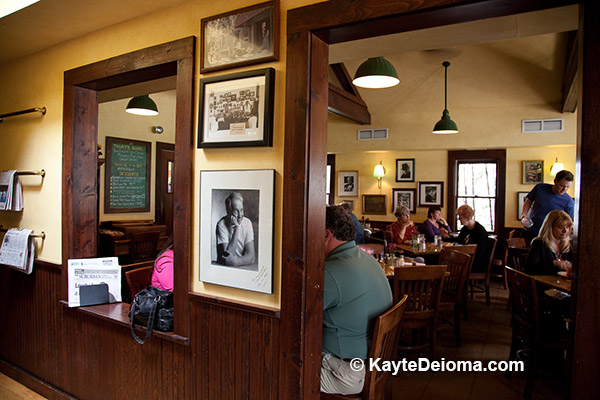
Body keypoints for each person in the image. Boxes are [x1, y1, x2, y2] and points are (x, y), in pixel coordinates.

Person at [321, 205, 393, 395]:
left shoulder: (330, 271)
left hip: (347, 374)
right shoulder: (369, 259)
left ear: (326, 235)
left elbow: (296, 314)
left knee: (277, 370)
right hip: (374, 365)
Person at [521, 170, 574, 242]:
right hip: (531, 230)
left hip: (550, 237)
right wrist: (524, 214)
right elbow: (528, 201)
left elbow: (567, 223)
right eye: (562, 186)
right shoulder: (540, 188)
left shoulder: (569, 202)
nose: (564, 189)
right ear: (555, 181)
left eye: (568, 187)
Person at [525, 210, 573, 276]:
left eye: (567, 227)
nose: (565, 231)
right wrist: (553, 263)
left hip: (563, 284)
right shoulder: (539, 243)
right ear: (550, 227)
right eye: (560, 227)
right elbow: (530, 269)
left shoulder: (570, 244)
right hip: (544, 284)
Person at [216, 192, 256, 267]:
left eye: (241, 210)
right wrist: (236, 228)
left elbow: (251, 257)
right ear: (228, 211)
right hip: (224, 269)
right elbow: (228, 257)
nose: (240, 215)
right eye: (236, 211)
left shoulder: (247, 223)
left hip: (241, 267)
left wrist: (236, 262)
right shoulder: (221, 224)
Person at [455, 204, 489, 273]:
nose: (459, 219)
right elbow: (459, 241)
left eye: (460, 217)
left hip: (477, 263)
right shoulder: (464, 229)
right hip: (467, 259)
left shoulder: (480, 231)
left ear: (468, 218)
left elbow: (481, 253)